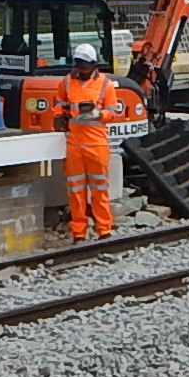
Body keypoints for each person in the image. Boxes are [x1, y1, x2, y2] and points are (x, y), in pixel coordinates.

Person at [60, 41, 115, 240]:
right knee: (76, 191)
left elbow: (113, 112)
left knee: (99, 190)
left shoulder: (105, 84)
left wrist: (97, 114)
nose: (81, 67)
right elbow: (60, 105)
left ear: (93, 64)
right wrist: (60, 116)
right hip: (75, 144)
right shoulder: (67, 82)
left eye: (84, 64)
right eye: (78, 63)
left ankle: (104, 230)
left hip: (97, 144)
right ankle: (79, 232)